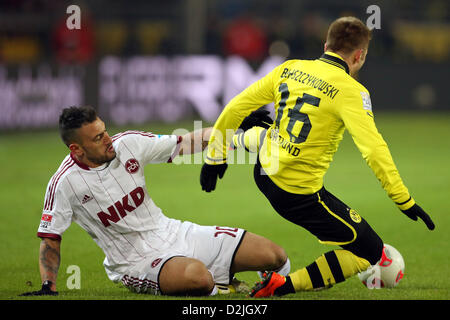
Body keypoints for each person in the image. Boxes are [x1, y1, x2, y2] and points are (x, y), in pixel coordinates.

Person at [199, 16, 435, 297]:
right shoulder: (352, 92)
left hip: (265, 171)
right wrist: (403, 199)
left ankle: (239, 141)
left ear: (326, 45)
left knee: (269, 131)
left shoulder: (289, 68)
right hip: (297, 195)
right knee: (369, 252)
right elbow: (373, 148)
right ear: (359, 56)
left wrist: (215, 156)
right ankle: (281, 286)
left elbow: (235, 107)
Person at [20, 105, 290, 297]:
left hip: (175, 232)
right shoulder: (64, 183)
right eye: (98, 137)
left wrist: (231, 126)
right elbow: (50, 237)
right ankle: (221, 283)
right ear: (76, 149)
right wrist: (48, 287)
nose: (108, 139)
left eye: (105, 131)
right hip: (135, 261)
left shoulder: (128, 144)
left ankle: (230, 281)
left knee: (275, 257)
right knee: (199, 279)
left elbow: (185, 143)